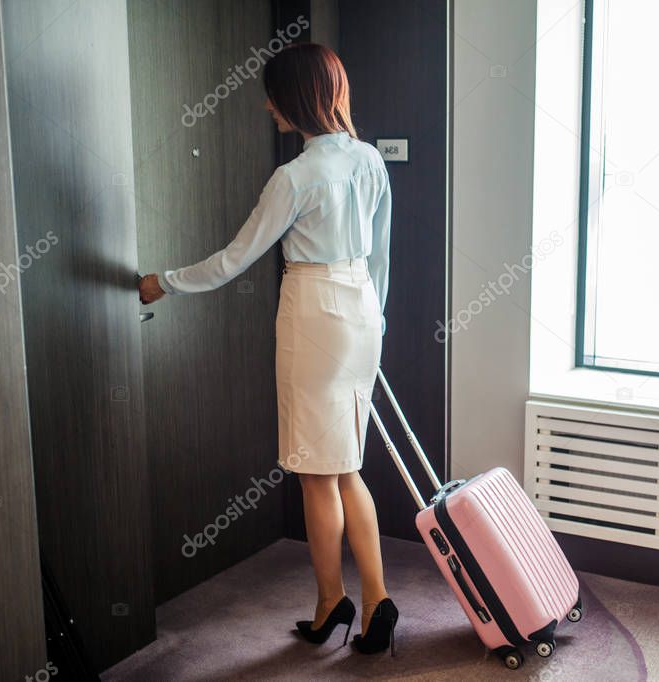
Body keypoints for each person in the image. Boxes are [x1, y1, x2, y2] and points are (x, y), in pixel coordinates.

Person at [138, 42, 396, 655]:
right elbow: (382, 255)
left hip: (313, 312)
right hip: (363, 311)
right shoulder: (369, 160)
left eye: (272, 94)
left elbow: (234, 259)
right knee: (347, 466)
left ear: (295, 98)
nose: (266, 105)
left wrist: (163, 282)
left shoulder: (295, 176)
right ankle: (377, 600)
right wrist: (376, 318)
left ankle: (332, 601)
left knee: (315, 473)